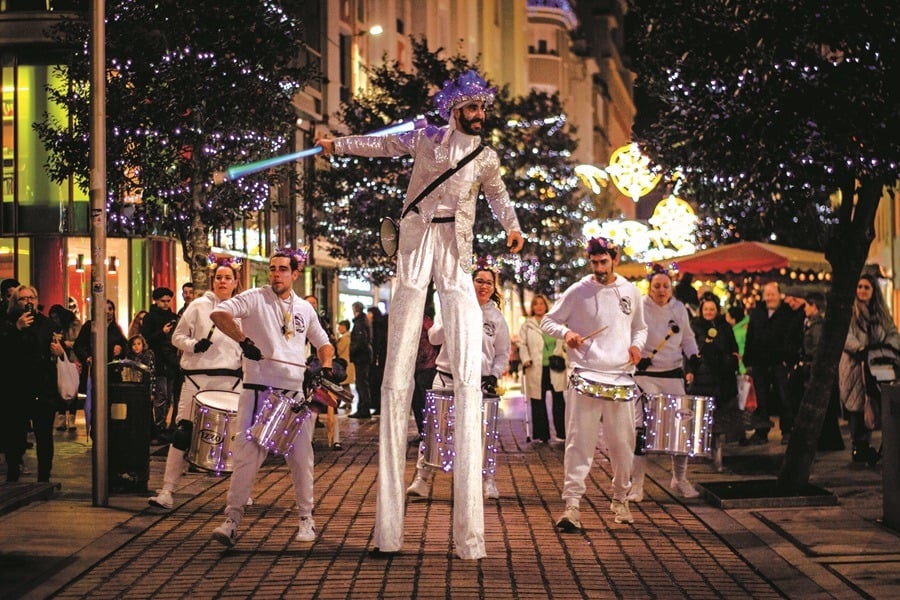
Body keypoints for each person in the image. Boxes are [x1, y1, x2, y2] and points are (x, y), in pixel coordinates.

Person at [316, 69, 523, 559]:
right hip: (416, 239)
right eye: (471, 109)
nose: (479, 116)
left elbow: (498, 197)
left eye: (483, 109)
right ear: (454, 111)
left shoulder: (487, 157)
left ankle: (469, 539)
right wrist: (337, 145)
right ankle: (387, 532)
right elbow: (380, 145)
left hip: (458, 245)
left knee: (462, 322)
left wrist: (512, 227)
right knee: (402, 345)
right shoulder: (425, 139)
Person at [209, 249, 335, 547]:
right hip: (258, 390)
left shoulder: (304, 308)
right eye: (273, 269)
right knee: (246, 458)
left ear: (295, 274)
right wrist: (243, 341)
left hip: (294, 394)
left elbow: (324, 343)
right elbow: (219, 313)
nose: (276, 274)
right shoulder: (254, 297)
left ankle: (306, 519)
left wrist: (323, 366)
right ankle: (231, 520)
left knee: (302, 460)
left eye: (282, 269)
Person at [542, 237, 646, 531]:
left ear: (614, 258)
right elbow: (548, 321)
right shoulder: (578, 291)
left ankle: (621, 498)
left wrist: (637, 346)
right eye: (594, 262)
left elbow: (640, 328)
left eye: (604, 261)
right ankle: (572, 505)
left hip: (621, 376)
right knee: (579, 443)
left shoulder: (631, 292)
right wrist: (567, 334)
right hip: (585, 373)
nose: (599, 268)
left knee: (623, 444)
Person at [407, 266, 511, 500]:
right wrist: (453, 317)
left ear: (493, 289)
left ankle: (488, 481)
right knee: (435, 431)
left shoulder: (496, 318)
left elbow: (502, 352)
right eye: (479, 281)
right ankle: (422, 479)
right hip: (446, 379)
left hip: (479, 384)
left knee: (484, 434)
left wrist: (494, 374)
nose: (483, 286)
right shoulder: (450, 306)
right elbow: (434, 337)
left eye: (489, 283)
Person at [148, 261, 243, 510]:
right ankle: (167, 490)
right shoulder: (198, 306)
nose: (222, 281)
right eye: (219, 277)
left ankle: (239, 493)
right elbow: (177, 337)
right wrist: (193, 345)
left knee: (234, 438)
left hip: (230, 380)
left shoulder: (243, 309)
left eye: (227, 277)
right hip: (196, 379)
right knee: (183, 432)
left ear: (235, 281)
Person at [631, 266, 701, 502]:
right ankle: (636, 485)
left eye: (665, 286)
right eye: (657, 286)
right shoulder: (639, 307)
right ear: (649, 287)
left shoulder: (679, 308)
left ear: (671, 287)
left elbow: (688, 337)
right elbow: (629, 336)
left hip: (672, 375)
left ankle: (680, 478)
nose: (661, 290)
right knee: (642, 431)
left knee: (681, 431)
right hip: (645, 376)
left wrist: (693, 356)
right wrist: (635, 357)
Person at [838, 273, 900, 465]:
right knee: (858, 406)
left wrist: (885, 348)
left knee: (878, 403)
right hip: (856, 367)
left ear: (873, 291)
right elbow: (845, 336)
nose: (862, 291)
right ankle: (860, 446)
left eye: (866, 287)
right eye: (859, 287)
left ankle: (880, 446)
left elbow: (892, 333)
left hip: (879, 364)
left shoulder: (881, 313)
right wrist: (860, 349)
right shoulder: (850, 312)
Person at [3, 286, 63, 482]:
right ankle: (13, 472)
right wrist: (17, 329)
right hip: (16, 387)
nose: (28, 302)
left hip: (42, 387)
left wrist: (58, 352)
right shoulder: (7, 322)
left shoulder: (46, 324)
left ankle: (44, 476)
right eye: (22, 299)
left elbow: (54, 351)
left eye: (32, 298)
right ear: (15, 302)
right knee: (15, 434)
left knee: (44, 434)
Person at [742, 282, 795, 445]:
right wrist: (748, 359)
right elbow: (750, 336)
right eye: (767, 294)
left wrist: (789, 359)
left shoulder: (787, 313)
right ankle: (761, 431)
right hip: (760, 362)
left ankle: (787, 430)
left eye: (773, 294)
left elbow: (792, 336)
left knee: (783, 397)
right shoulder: (757, 313)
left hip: (779, 361)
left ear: (779, 295)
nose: (770, 297)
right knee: (761, 398)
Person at [518, 293, 567, 444]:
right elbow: (522, 343)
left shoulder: (555, 323)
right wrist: (525, 359)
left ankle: (562, 433)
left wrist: (566, 351)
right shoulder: (527, 325)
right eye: (536, 304)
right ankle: (541, 435)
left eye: (541, 303)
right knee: (537, 401)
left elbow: (564, 341)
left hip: (555, 366)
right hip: (535, 367)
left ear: (546, 305)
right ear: (532, 307)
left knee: (559, 400)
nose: (539, 306)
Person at [141, 287, 180, 443]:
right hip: (157, 361)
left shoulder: (172, 316)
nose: (166, 304)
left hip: (171, 362)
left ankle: (165, 426)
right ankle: (159, 427)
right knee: (161, 395)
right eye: (162, 301)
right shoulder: (150, 318)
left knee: (169, 395)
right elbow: (146, 338)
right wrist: (162, 332)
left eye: (168, 301)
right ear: (156, 301)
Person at [50, 304, 81, 433]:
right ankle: (62, 418)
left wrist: (67, 343)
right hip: (60, 359)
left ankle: (72, 419)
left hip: (73, 359)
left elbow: (78, 341)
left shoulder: (73, 324)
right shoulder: (54, 327)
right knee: (61, 386)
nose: (54, 320)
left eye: (56, 317)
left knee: (72, 387)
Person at [411, 307, 440, 442]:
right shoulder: (411, 320)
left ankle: (430, 434)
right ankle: (423, 433)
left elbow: (435, 339)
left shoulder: (425, 320)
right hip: (416, 366)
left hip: (427, 366)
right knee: (417, 402)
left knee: (425, 401)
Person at [348, 301, 373, 419]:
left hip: (361, 357)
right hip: (364, 356)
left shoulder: (360, 323)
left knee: (361, 383)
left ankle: (363, 409)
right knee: (362, 383)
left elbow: (360, 341)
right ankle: (363, 408)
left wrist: (352, 351)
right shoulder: (363, 321)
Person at [367, 306, 388, 416]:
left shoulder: (377, 325)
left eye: (369, 313)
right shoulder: (382, 324)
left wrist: (375, 358)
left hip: (379, 359)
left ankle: (379, 406)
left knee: (377, 383)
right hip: (382, 358)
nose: (368, 316)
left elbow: (378, 343)